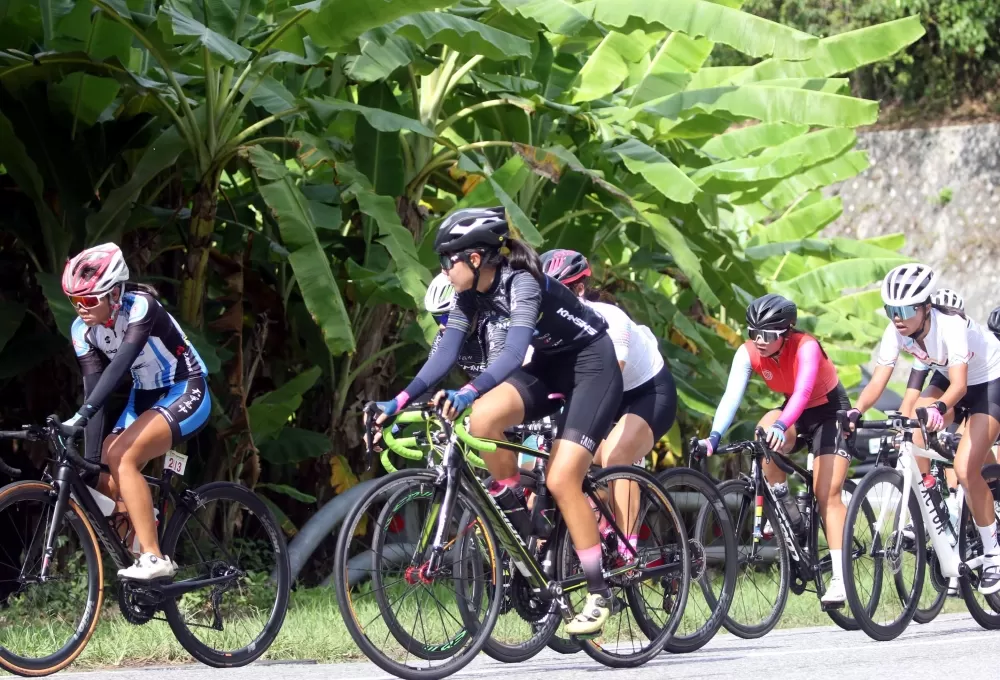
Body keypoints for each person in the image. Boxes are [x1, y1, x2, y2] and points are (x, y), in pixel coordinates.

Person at [369, 207, 623, 635]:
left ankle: (600, 592)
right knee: (483, 419)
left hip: (593, 366)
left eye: (447, 260)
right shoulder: (469, 296)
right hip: (550, 366)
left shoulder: (522, 282)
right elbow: (443, 356)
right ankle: (517, 512)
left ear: (473, 258)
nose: (443, 270)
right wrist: (394, 403)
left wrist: (466, 391)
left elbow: (510, 354)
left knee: (562, 479)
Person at [850, 263, 1000, 594]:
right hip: (949, 378)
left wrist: (938, 408)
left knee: (964, 467)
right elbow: (880, 378)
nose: (896, 317)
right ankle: (933, 500)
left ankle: (993, 555)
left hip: (990, 381)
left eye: (903, 310)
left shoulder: (951, 325)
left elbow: (959, 386)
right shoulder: (897, 331)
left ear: (925, 307)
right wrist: (855, 410)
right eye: (890, 310)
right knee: (912, 430)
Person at [63, 243, 210, 581]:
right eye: (74, 300)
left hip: (186, 387)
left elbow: (119, 367)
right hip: (145, 396)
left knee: (123, 458)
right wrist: (89, 459)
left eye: (88, 300)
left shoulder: (141, 307)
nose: (80, 308)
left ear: (114, 293)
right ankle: (144, 551)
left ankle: (154, 557)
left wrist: (79, 417)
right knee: (102, 474)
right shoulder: (81, 330)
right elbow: (94, 390)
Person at [698, 293, 853, 605]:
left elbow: (805, 390)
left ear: (787, 331)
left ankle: (840, 578)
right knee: (764, 430)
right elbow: (731, 396)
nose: (759, 341)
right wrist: (713, 437)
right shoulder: (748, 352)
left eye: (767, 335)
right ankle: (783, 502)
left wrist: (783, 425)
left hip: (828, 412)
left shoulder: (806, 346)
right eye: (753, 332)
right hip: (792, 411)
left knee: (827, 494)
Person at [540, 249, 677, 558]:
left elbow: (609, 379)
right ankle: (596, 524)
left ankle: (627, 550)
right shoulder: (547, 328)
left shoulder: (610, 319)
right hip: (603, 395)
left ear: (579, 290)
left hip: (647, 393)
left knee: (617, 455)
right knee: (558, 460)